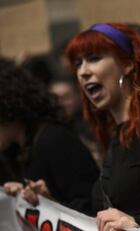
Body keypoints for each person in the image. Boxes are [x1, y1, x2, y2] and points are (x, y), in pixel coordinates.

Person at [64, 22, 140, 230]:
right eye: (78, 64)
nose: (83, 72)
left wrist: (138, 222)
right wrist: (46, 201)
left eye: (94, 58)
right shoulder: (115, 134)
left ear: (127, 64)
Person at [0, 58, 99, 215]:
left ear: (6, 107)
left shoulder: (54, 140)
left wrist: (50, 202)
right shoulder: (16, 151)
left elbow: (91, 210)